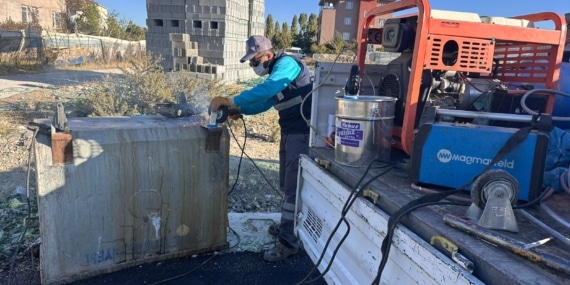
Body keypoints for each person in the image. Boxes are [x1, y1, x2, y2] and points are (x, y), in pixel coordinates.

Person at [209, 35, 312, 262]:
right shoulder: (276, 72)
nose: (254, 66)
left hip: (302, 133)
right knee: (286, 182)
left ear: (267, 55)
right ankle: (289, 224)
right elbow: (265, 103)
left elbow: (268, 89)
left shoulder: (287, 65)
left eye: (255, 61)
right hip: (290, 131)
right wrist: (240, 109)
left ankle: (288, 242)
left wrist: (231, 99)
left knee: (294, 186)